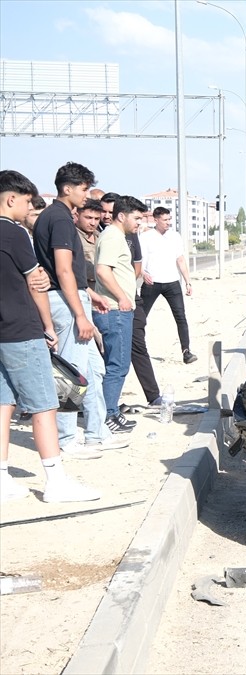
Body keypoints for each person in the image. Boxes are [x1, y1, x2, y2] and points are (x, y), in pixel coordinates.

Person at [1, 169, 102, 502]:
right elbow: (36, 281)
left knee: (3, 404)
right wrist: (47, 325)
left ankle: (1, 479)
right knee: (44, 405)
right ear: (11, 199)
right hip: (21, 329)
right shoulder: (14, 234)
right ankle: (56, 481)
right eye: (28, 202)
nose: (30, 209)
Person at [33, 162, 125, 458]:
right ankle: (66, 438)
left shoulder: (59, 216)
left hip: (73, 297)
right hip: (65, 302)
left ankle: (98, 432)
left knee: (93, 372)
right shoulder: (58, 218)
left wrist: (90, 295)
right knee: (71, 374)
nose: (86, 195)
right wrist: (81, 314)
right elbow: (62, 269)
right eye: (84, 189)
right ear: (67, 188)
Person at [93, 196, 147, 433]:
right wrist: (123, 297)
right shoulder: (113, 237)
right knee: (118, 365)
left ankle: (111, 411)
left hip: (117, 309)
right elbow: (103, 270)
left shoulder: (116, 236)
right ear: (122, 216)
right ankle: (107, 415)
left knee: (116, 364)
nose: (139, 223)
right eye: (136, 218)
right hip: (115, 310)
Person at [139, 207, 197, 364]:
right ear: (156, 220)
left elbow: (180, 260)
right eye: (165, 220)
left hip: (172, 282)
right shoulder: (146, 237)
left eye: (169, 219)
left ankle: (186, 351)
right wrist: (144, 274)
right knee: (141, 318)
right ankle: (137, 350)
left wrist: (188, 282)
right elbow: (139, 260)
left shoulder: (175, 236)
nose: (168, 223)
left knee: (180, 316)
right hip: (152, 283)